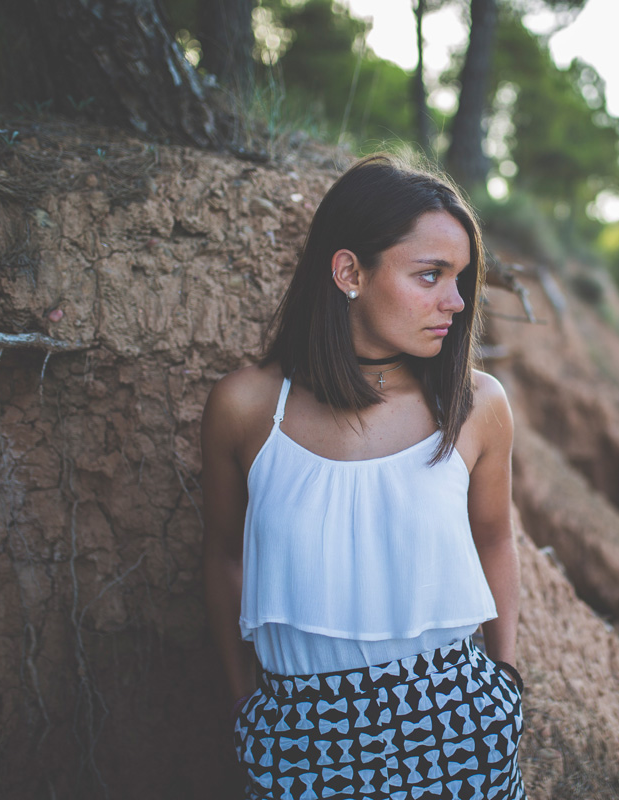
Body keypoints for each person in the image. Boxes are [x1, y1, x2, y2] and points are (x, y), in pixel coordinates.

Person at [201, 154, 526, 800]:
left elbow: (494, 539)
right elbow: (222, 556)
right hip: (297, 737)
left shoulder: (475, 405)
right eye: (431, 275)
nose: (456, 304)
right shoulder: (246, 407)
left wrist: (505, 679)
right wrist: (245, 704)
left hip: (457, 727)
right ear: (349, 271)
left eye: (460, 279)